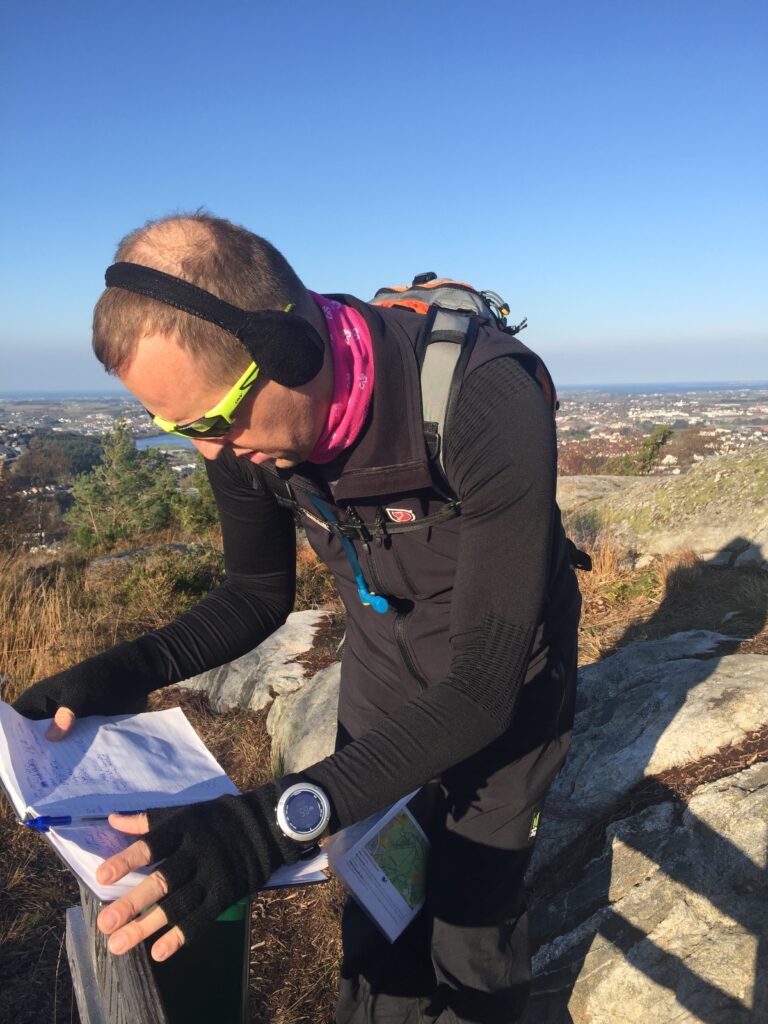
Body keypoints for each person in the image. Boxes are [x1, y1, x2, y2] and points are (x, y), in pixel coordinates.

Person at [13, 212, 582, 1023]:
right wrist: (118, 673)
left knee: (472, 914)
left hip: (506, 678)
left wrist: (262, 829)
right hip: (386, 661)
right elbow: (254, 595)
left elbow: (481, 689)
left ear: (294, 352)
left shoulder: (488, 399)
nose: (207, 451)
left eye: (209, 423)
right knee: (381, 898)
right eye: (177, 429)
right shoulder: (249, 429)